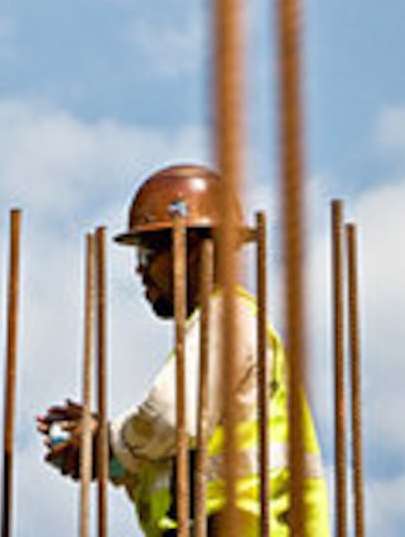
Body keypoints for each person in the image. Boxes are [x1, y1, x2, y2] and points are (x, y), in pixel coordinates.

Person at [37, 163, 331, 536]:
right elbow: (181, 459)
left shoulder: (228, 320)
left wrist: (109, 441)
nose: (140, 272)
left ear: (189, 251)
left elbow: (169, 418)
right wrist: (109, 458)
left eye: (147, 255)